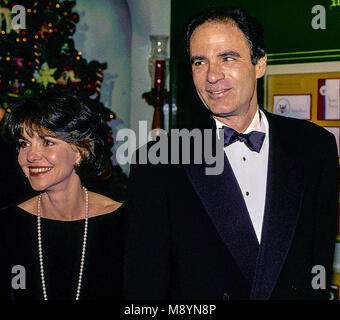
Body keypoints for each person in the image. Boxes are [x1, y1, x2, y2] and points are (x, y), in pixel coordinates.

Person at [123, 8, 339, 300]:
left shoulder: (315, 146)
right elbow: (145, 284)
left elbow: (319, 262)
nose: (212, 76)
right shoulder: (159, 159)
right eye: (200, 62)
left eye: (227, 58)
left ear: (259, 63)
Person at [0, 91, 123, 300]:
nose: (30, 156)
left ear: (80, 151)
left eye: (47, 142)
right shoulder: (7, 225)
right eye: (24, 143)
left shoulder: (123, 223)